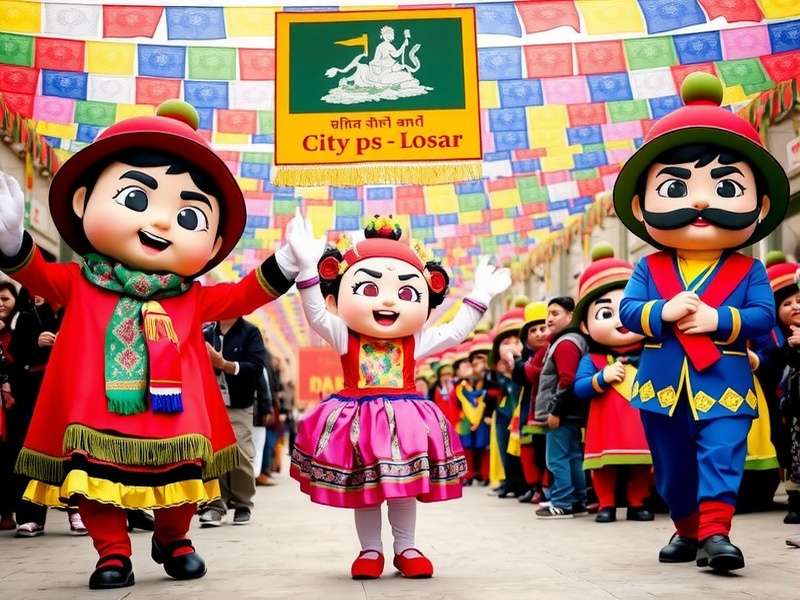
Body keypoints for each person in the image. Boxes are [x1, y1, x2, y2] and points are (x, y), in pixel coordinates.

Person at [0, 100, 299, 590]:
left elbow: (241, 295)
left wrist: (285, 265)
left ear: (215, 237)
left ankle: (174, 539)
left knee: (182, 477)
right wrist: (13, 242)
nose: (161, 223)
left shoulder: (190, 295)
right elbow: (34, 271)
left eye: (187, 215)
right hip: (96, 410)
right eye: (138, 200)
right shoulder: (82, 281)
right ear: (83, 202)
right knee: (94, 480)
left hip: (173, 412)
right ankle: (112, 552)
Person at [615, 73, 788, 571]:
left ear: (762, 204)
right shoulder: (648, 267)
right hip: (661, 384)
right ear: (639, 204)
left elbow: (760, 318)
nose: (698, 201)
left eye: (726, 185)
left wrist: (718, 318)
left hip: (725, 379)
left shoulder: (749, 268)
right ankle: (687, 528)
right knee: (670, 467)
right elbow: (628, 313)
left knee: (721, 454)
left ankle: (716, 535)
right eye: (675, 185)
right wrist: (660, 312)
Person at [287, 215, 510, 580]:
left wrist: (479, 296)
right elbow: (314, 314)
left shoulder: (415, 340)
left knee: (403, 487)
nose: (388, 301)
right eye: (370, 290)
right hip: (359, 422)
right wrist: (307, 270)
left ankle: (406, 547)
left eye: (406, 292)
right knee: (367, 490)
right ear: (340, 293)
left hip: (405, 425)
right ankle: (370, 550)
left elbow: (455, 332)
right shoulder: (345, 334)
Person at [572, 245, 653, 524]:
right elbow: (579, 388)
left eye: (627, 309)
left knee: (642, 464)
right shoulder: (592, 358)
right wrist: (601, 378)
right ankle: (606, 503)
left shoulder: (650, 354)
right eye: (606, 314)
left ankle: (637, 502)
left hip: (642, 420)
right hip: (605, 424)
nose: (620, 320)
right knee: (604, 466)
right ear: (585, 326)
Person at [199, 317, 267, 527]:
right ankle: (215, 505)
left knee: (240, 453)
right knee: (211, 454)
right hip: (210, 404)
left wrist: (224, 365)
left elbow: (256, 368)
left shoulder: (250, 332)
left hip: (239, 404)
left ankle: (242, 503)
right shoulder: (206, 333)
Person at [533, 296, 588, 519]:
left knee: (557, 458)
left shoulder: (566, 344)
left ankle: (562, 502)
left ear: (570, 315)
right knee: (573, 456)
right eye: (548, 314)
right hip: (573, 411)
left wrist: (555, 411)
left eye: (555, 314)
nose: (549, 319)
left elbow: (567, 380)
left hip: (562, 412)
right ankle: (577, 500)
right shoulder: (572, 340)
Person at [503, 301, 549, 503]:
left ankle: (544, 487)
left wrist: (517, 364)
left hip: (543, 408)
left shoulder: (547, 352)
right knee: (528, 450)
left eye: (543, 328)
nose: (539, 333)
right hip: (526, 407)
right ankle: (534, 485)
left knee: (543, 452)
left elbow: (528, 374)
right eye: (534, 330)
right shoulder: (527, 355)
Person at [488, 308, 526, 498]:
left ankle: (522, 483)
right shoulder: (494, 372)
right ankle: (509, 481)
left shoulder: (524, 365)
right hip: (504, 412)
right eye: (506, 342)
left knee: (519, 448)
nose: (512, 346)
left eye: (517, 341)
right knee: (503, 447)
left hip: (519, 411)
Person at [455, 335, 495, 486]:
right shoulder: (462, 382)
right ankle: (468, 474)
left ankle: (485, 474)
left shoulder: (489, 378)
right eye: (476, 358)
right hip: (465, 419)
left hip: (484, 418)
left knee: (483, 445)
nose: (479, 362)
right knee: (467, 446)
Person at [0, 280, 19, 531]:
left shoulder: (20, 326)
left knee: (9, 457)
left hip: (14, 402)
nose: (1, 304)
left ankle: (8, 511)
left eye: (5, 299)